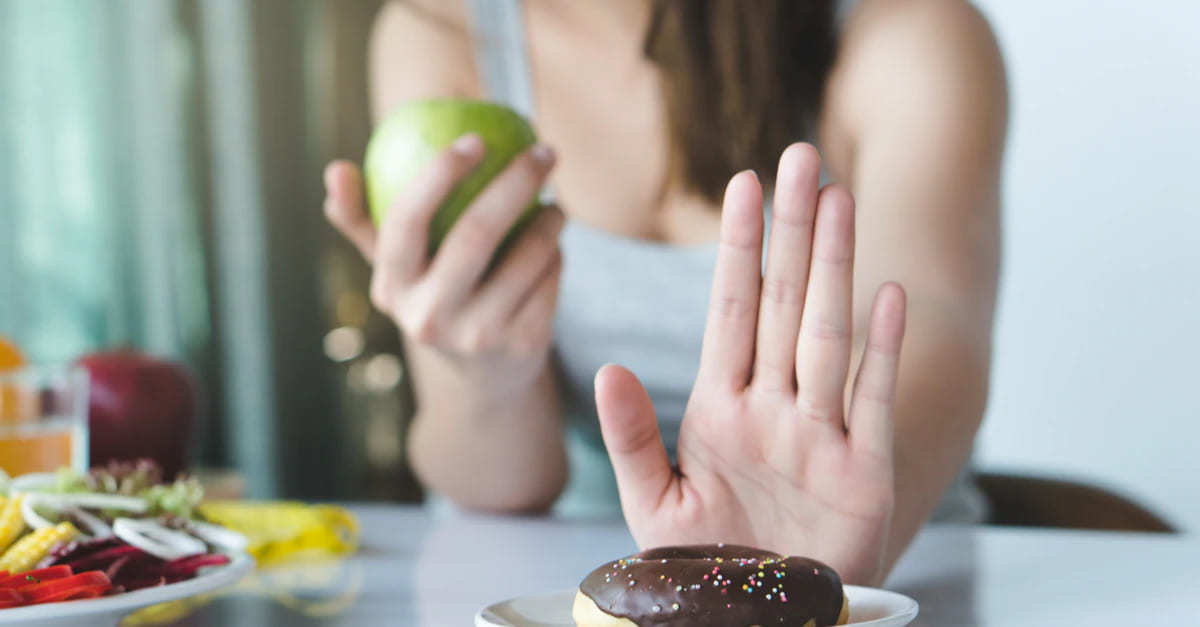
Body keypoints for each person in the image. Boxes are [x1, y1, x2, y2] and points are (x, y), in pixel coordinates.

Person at [323, 0, 1006, 585]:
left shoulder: (909, 32)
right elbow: (508, 488)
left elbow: (937, 327)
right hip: (565, 588)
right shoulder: (440, 31)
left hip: (890, 575)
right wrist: (480, 372)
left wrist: (829, 540)